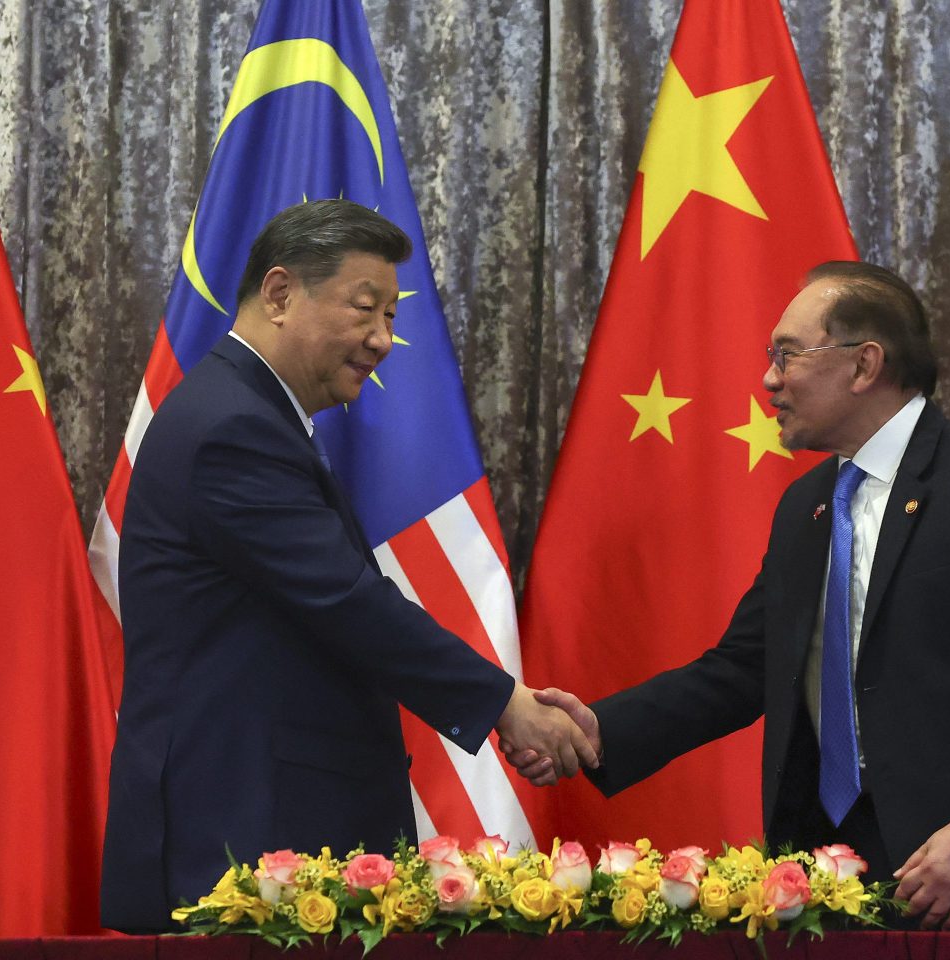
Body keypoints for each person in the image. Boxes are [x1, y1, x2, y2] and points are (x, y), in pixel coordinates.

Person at [510, 261, 950, 931]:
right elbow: (745, 668)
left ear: (864, 366)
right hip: (832, 875)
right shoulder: (808, 503)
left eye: (787, 355)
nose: (770, 379)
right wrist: (601, 730)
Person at [101, 200, 595, 933]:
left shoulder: (253, 414)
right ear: (278, 294)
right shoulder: (232, 428)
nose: (384, 340)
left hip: (265, 822)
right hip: (239, 832)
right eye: (366, 309)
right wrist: (503, 703)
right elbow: (346, 601)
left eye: (392, 317)